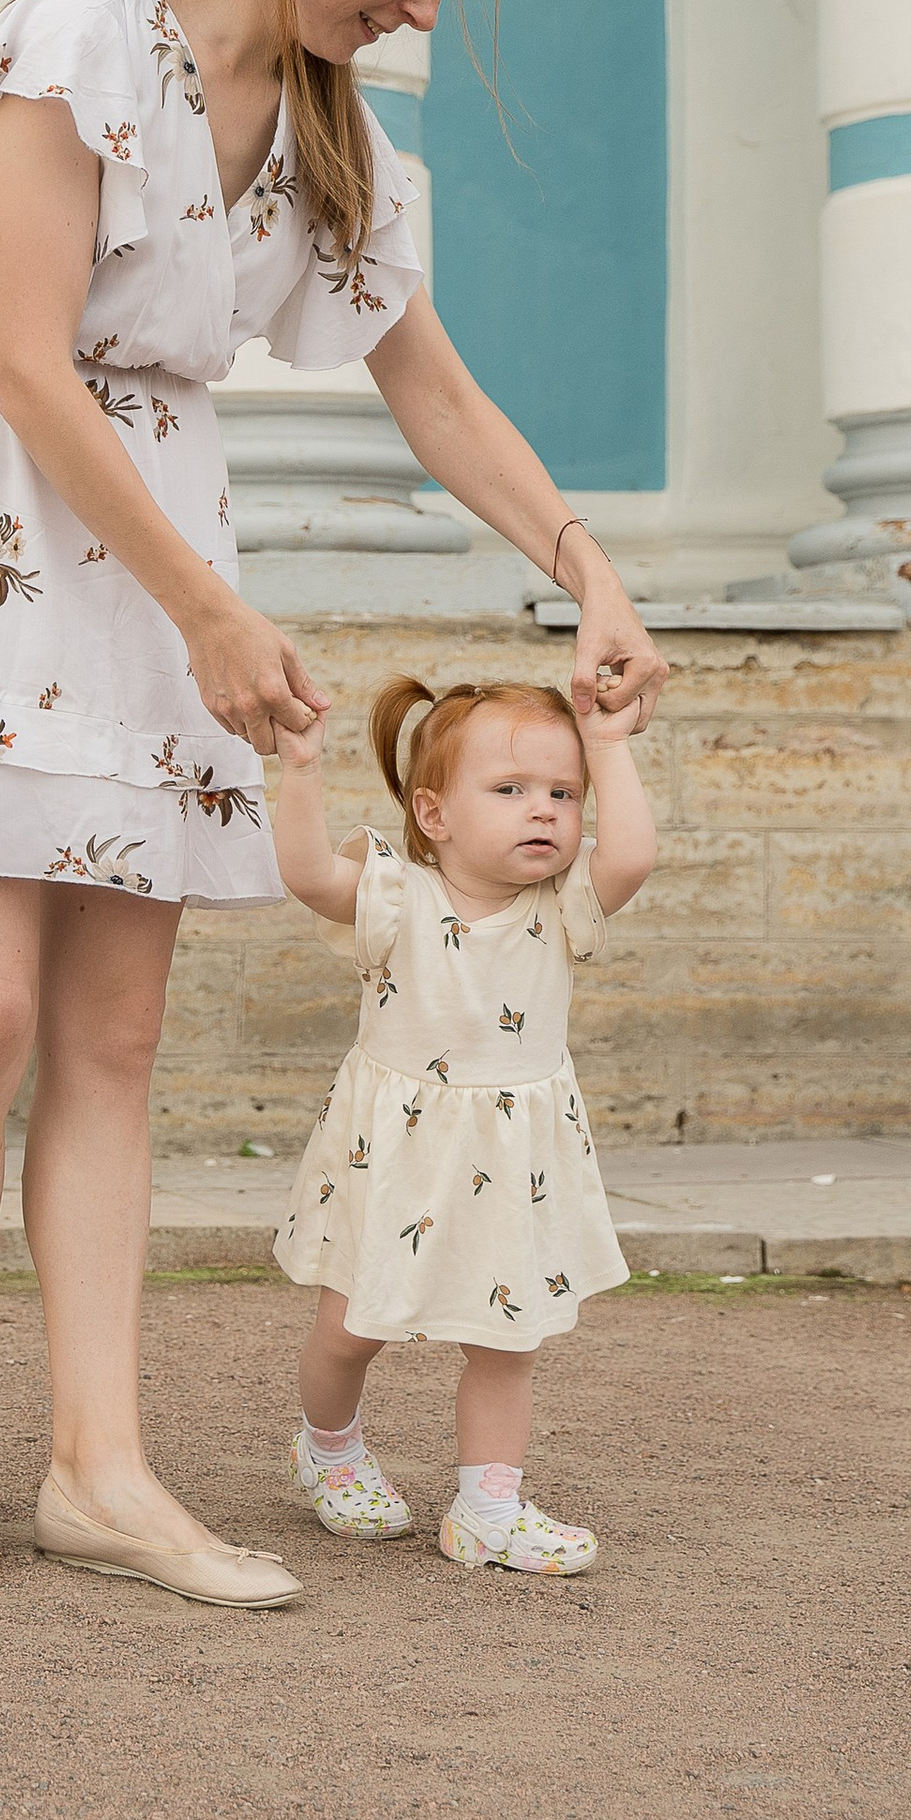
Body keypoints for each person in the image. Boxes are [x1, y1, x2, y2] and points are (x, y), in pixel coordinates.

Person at [0, 0, 672, 1605]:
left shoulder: (338, 143)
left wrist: (584, 569)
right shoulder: (73, 47)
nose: (419, 9)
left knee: (115, 1037)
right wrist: (202, 608)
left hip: (166, 559)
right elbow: (28, 361)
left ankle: (101, 1466)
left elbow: (432, 390)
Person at [269, 671, 658, 1575]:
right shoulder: (396, 894)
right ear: (435, 814)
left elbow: (631, 856)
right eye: (513, 790)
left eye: (564, 794)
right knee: (349, 1327)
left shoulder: (563, 905)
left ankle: (488, 1506)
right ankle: (328, 1449)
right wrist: (297, 769)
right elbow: (305, 876)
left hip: (514, 1157)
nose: (546, 813)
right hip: (392, 1155)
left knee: (507, 1334)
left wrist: (608, 741)